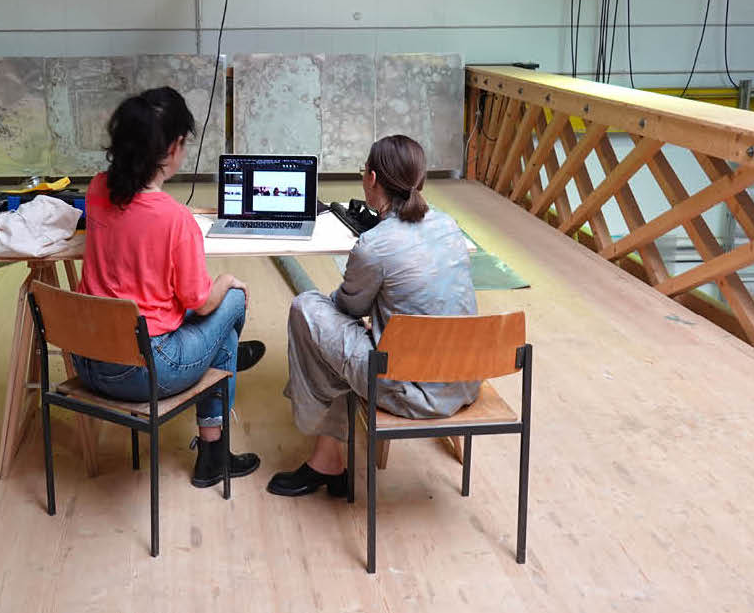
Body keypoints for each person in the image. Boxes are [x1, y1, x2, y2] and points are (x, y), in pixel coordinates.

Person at [267, 134, 479, 497]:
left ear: (372, 178)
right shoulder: (449, 225)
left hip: (408, 390)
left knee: (308, 308)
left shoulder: (375, 245)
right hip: (463, 380)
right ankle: (326, 455)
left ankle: (328, 457)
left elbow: (348, 308)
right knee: (355, 331)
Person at [77, 87, 264, 488]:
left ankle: (220, 375)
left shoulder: (96, 189)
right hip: (147, 370)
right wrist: (228, 279)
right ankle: (214, 450)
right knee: (229, 301)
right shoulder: (176, 221)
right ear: (175, 146)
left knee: (220, 336)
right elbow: (198, 303)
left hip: (87, 359)